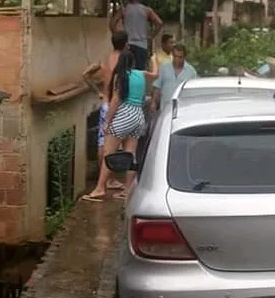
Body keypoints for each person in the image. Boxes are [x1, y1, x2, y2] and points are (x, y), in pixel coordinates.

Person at [84, 49, 159, 201]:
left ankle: (100, 188)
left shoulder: (121, 77)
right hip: (138, 116)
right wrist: (154, 59)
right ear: (132, 62)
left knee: (108, 154)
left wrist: (107, 121)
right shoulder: (141, 74)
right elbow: (156, 75)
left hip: (123, 116)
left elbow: (116, 100)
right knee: (131, 154)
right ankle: (127, 190)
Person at [82, 30, 128, 192]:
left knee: (102, 143)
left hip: (105, 104)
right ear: (126, 44)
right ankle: (110, 180)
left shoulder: (105, 60)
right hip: (117, 105)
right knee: (114, 145)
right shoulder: (124, 61)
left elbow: (85, 75)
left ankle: (105, 180)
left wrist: (98, 92)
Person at [111, 0, 162, 70]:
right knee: (140, 73)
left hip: (127, 45)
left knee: (126, 71)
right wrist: (151, 37)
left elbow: (112, 24)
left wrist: (119, 37)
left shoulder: (124, 9)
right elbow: (159, 23)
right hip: (142, 46)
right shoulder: (147, 10)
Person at [152, 43, 197, 111]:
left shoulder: (191, 72)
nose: (177, 59)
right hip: (165, 110)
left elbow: (194, 92)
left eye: (180, 57)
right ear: (172, 55)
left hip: (183, 109)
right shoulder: (164, 68)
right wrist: (154, 103)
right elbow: (157, 87)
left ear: (184, 57)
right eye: (175, 56)